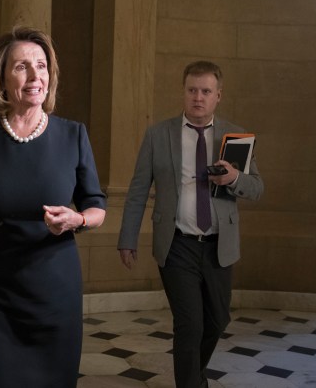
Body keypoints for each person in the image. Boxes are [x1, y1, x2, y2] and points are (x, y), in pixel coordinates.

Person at [0, 27, 106, 387]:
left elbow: (96, 206)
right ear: (1, 77)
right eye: (22, 67)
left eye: (41, 66)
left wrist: (77, 219)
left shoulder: (73, 135)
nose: (34, 76)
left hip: (55, 296)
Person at [118, 60, 263, 388]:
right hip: (177, 244)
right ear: (184, 92)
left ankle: (194, 378)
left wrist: (235, 177)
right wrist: (127, 238)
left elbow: (257, 187)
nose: (198, 97)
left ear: (218, 96)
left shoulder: (234, 137)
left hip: (218, 246)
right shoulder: (159, 135)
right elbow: (138, 190)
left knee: (216, 320)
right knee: (189, 325)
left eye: (206, 91)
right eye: (192, 90)